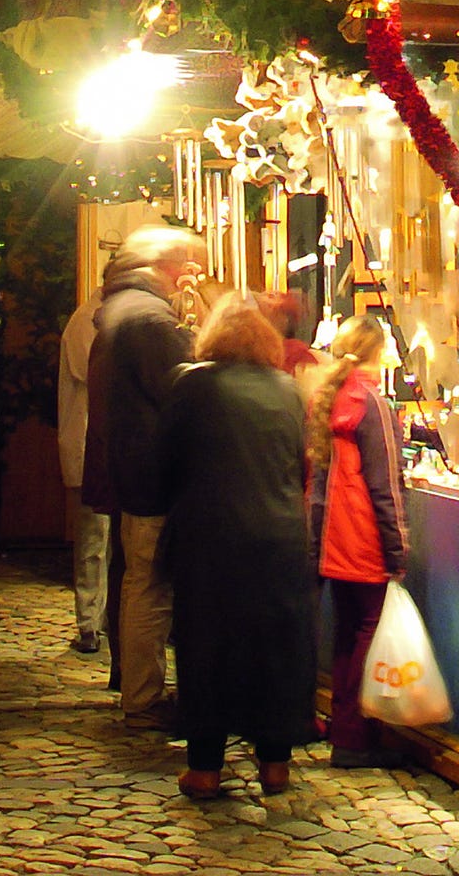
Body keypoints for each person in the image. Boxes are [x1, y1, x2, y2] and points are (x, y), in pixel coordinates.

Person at [156, 293, 317, 799]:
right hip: (280, 538)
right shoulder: (288, 390)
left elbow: (166, 460)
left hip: (211, 537)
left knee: (207, 648)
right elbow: (300, 463)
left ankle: (205, 767)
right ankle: (275, 765)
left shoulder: (191, 383)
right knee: (277, 648)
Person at [83, 224, 206, 726]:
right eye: (190, 264)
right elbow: (185, 393)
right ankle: (144, 696)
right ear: (169, 267)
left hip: (133, 468)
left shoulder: (127, 309)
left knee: (140, 581)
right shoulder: (150, 320)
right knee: (150, 586)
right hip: (154, 474)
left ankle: (138, 690)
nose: (195, 274)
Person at [306, 316, 412, 769]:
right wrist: (399, 547)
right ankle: (357, 734)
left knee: (348, 633)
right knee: (369, 630)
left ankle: (345, 725)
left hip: (332, 536)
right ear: (377, 350)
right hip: (363, 533)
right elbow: (385, 482)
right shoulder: (372, 402)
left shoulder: (328, 398)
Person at [56, 251, 122, 656]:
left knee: (107, 541)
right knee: (94, 540)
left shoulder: (108, 317)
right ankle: (88, 622)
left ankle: (102, 620)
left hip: (104, 444)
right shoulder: (88, 320)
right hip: (88, 442)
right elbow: (94, 371)